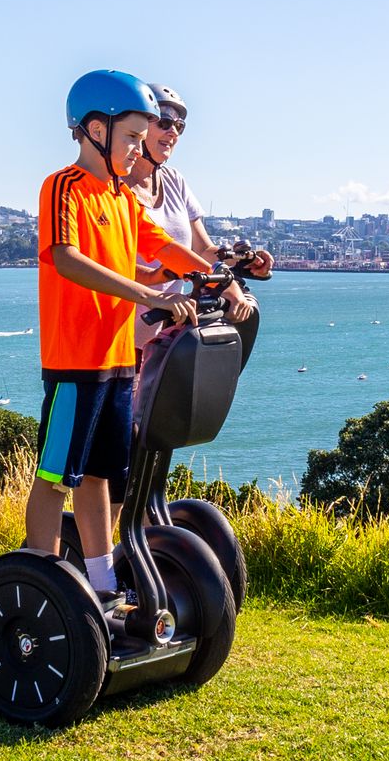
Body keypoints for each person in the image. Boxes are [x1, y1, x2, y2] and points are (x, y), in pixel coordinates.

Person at [24, 71, 240, 603]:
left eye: (142, 140)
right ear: (96, 129)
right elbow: (67, 259)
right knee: (55, 477)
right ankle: (38, 579)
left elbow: (162, 246)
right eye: (131, 138)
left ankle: (101, 583)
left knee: (99, 475)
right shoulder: (64, 187)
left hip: (118, 358)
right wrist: (151, 294)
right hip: (74, 360)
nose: (138, 150)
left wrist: (215, 277)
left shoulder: (122, 199)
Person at [124, 85, 271, 354]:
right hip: (119, 332)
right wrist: (224, 284)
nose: (173, 132)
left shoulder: (174, 180)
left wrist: (243, 261)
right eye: (164, 123)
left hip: (163, 334)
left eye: (179, 127)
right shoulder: (114, 186)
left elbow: (201, 250)